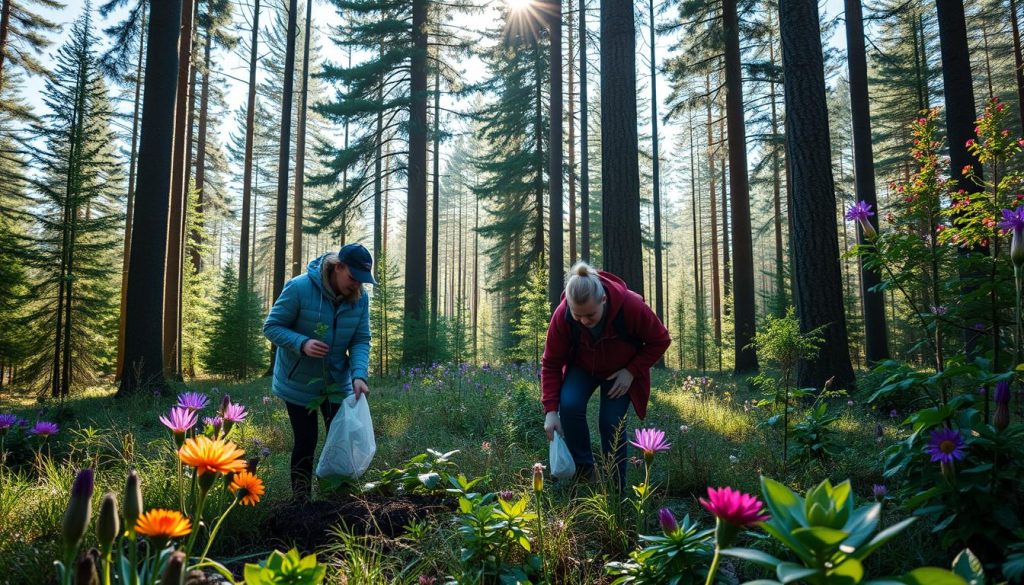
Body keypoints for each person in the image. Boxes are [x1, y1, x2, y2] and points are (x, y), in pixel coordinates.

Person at [541, 261, 671, 490]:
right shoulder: (562, 316)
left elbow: (660, 339)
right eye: (577, 315)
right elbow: (551, 362)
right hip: (582, 368)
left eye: (590, 315)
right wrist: (551, 410)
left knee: (611, 423)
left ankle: (614, 485)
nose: (584, 321)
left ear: (603, 300)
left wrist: (631, 371)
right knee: (569, 405)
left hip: (620, 372)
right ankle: (585, 471)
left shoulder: (630, 306)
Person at [263, 243, 376, 500]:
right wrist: (302, 343)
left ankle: (336, 500)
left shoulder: (360, 299)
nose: (357, 285)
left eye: (362, 281)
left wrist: (359, 374)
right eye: (353, 278)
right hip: (299, 383)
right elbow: (272, 326)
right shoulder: (299, 287)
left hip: (337, 382)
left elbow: (360, 339)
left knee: (341, 441)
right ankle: (301, 502)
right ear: (338, 267)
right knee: (306, 442)